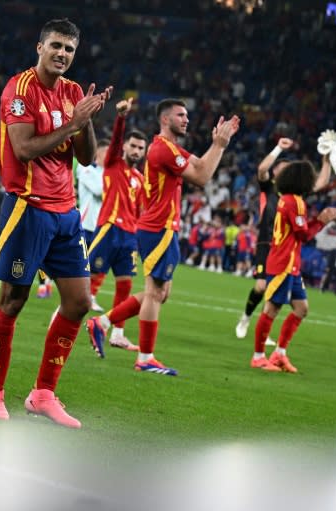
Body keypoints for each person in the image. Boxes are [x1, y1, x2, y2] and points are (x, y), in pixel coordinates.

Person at [0, 18, 112, 428]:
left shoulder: (73, 92)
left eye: (69, 49)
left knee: (79, 302)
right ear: (39, 47)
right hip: (27, 208)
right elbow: (22, 150)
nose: (62, 54)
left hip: (66, 213)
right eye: (56, 46)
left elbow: (87, 158)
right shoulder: (19, 91)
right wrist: (72, 123)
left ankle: (42, 394)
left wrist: (86, 119)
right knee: (13, 301)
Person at [86, 98, 240, 374]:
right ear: (166, 119)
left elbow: (202, 164)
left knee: (160, 293)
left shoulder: (170, 149)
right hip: (158, 228)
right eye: (181, 115)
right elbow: (202, 177)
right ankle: (145, 358)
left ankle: (103, 323)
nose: (186, 119)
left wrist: (216, 145)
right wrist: (219, 145)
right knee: (155, 292)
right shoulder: (162, 150)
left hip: (160, 227)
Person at [234, 137, 332, 342]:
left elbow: (322, 182)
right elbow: (262, 169)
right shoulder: (269, 187)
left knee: (274, 292)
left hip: (286, 247)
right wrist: (279, 148)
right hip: (266, 241)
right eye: (283, 168)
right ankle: (246, 317)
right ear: (276, 171)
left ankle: (265, 333)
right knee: (261, 286)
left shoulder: (296, 193)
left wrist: (327, 161)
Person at [250, 161, 336, 372]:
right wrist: (321, 221)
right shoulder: (295, 202)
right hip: (283, 263)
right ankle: (258, 356)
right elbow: (304, 234)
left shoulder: (288, 199)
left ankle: (279, 353)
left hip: (291, 264)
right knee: (272, 308)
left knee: (301, 308)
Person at [86, 97, 146, 351]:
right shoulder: (113, 163)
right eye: (133, 146)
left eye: (141, 148)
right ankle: (63, 316)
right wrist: (121, 118)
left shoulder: (140, 179)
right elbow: (116, 141)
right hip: (109, 228)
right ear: (125, 148)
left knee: (126, 284)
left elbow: (141, 211)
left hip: (129, 236)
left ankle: (117, 333)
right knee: (88, 279)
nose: (136, 151)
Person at [77, 139, 108, 312]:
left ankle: (90, 297)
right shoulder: (86, 169)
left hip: (100, 226)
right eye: (106, 152)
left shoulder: (107, 173)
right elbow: (99, 191)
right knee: (80, 264)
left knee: (98, 264)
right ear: (99, 153)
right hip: (86, 224)